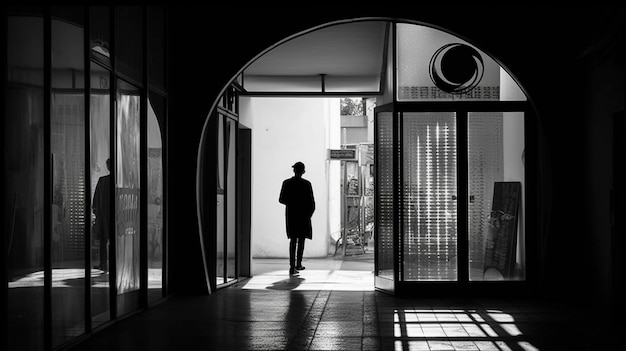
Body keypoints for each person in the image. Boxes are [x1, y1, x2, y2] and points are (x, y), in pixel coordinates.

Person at [279, 161, 315, 275]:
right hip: (303, 215)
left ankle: (292, 266)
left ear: (294, 170)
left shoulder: (287, 183)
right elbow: (312, 202)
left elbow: (281, 199)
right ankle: (298, 263)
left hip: (292, 215)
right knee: (301, 240)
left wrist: (292, 203)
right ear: (303, 171)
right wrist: (308, 214)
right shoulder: (306, 184)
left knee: (293, 240)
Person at [93, 158, 111, 272]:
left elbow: (95, 200)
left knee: (103, 241)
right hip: (115, 217)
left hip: (104, 216)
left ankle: (103, 264)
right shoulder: (119, 182)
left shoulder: (102, 181)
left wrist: (97, 213)